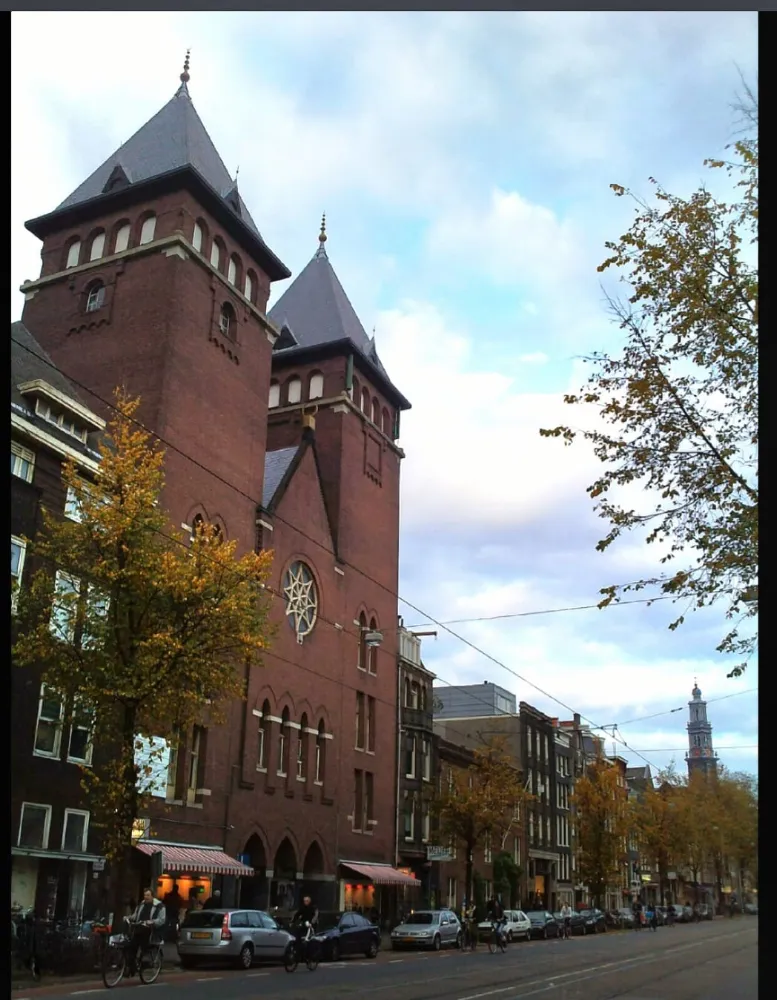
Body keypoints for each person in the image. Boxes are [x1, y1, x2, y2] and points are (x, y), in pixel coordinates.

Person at [128, 888, 166, 968]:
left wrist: (152, 922)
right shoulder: (141, 905)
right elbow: (136, 915)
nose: (146, 897)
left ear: (152, 896)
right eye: (145, 895)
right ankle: (131, 966)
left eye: (148, 895)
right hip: (139, 928)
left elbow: (162, 920)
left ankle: (145, 961)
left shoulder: (159, 906)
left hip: (151, 930)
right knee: (131, 946)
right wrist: (129, 918)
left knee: (143, 943)